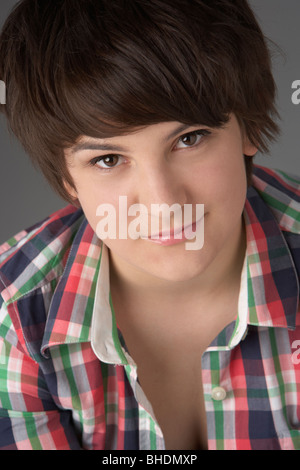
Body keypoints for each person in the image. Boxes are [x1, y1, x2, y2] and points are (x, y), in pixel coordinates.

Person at [0, 0, 299, 451]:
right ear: (67, 178)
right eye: (108, 159)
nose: (163, 203)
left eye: (189, 139)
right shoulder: (14, 319)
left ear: (248, 127)